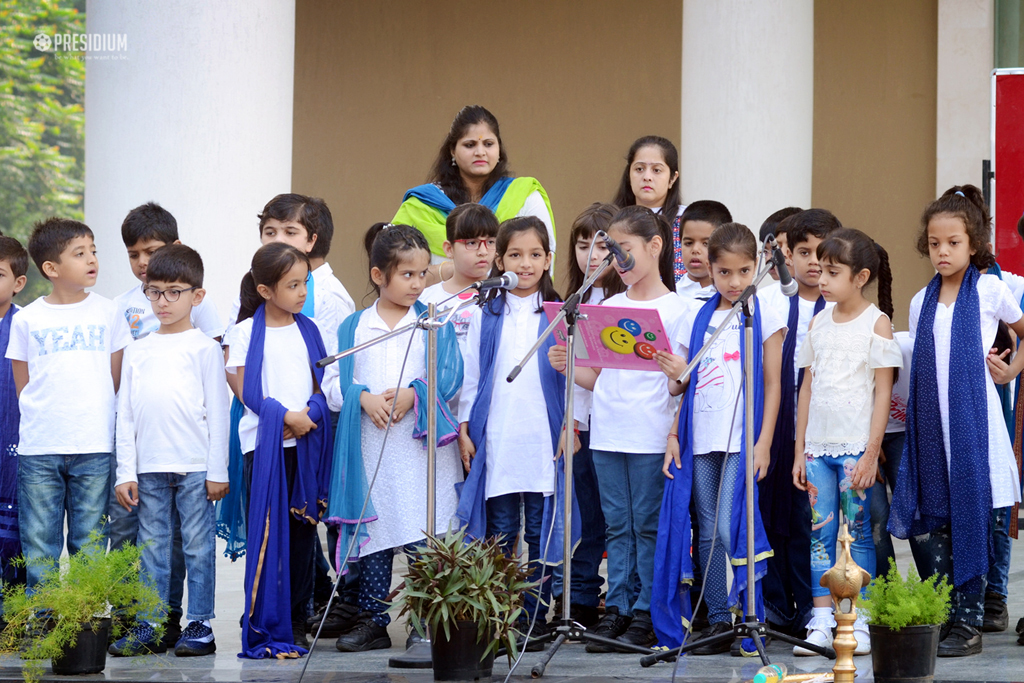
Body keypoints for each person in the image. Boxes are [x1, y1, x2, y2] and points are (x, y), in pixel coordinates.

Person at [550, 206, 697, 651]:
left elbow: (680, 388)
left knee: (647, 526)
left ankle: (646, 611)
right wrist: (569, 366)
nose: (616, 259)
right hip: (609, 430)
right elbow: (600, 378)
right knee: (617, 526)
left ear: (655, 247)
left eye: (624, 249)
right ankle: (616, 606)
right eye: (611, 250)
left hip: (651, 434)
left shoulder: (679, 310)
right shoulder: (607, 306)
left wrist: (679, 372)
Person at [889, 185, 1024, 657]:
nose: (942, 251)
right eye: (934, 243)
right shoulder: (918, 302)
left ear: (974, 243)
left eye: (953, 243)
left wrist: (1014, 368)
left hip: (976, 428)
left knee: (974, 515)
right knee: (936, 520)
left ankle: (970, 621)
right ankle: (945, 613)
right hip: (933, 430)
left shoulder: (990, 289)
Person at [323, 223, 463, 652]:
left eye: (422, 274)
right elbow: (331, 383)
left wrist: (413, 394)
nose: (417, 283)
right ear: (378, 274)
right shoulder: (352, 328)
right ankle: (372, 621)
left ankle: (425, 624)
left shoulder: (434, 321)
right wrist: (361, 397)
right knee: (376, 542)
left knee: (425, 537)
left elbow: (451, 378)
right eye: (407, 274)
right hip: (372, 451)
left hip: (422, 455)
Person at [653, 223, 785, 655]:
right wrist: (674, 431)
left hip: (742, 441)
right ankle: (714, 618)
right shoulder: (697, 314)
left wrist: (763, 442)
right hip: (701, 438)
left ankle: (751, 618)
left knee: (733, 528)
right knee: (707, 531)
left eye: (744, 271)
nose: (735, 282)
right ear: (710, 269)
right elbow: (682, 386)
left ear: (757, 267)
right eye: (725, 272)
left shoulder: (765, 311)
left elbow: (773, 383)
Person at [459, 216, 576, 651]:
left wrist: (569, 424)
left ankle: (534, 617)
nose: (525, 264)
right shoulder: (484, 312)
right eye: (515, 255)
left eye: (534, 255)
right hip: (500, 437)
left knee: (540, 532)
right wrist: (467, 427)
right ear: (498, 259)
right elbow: (473, 374)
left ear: (548, 259)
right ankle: (499, 614)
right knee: (501, 530)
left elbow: (573, 379)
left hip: (543, 437)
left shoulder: (562, 312)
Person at [109, 245, 230, 657]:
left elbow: (218, 412)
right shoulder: (138, 349)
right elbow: (124, 413)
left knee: (197, 545)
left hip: (195, 466)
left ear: (197, 296)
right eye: (154, 292)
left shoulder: (205, 348)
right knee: (152, 547)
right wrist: (126, 470)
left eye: (174, 292)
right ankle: (151, 621)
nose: (162, 301)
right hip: (148, 467)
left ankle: (200, 623)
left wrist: (218, 470)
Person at [791, 228, 901, 656]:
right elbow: (806, 388)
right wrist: (801, 449)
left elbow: (883, 392)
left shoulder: (877, 323)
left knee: (857, 535)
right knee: (820, 534)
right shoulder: (817, 322)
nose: (822, 279)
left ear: (860, 277)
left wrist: (872, 452)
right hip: (818, 449)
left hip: (856, 449)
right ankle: (821, 622)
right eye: (821, 270)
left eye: (833, 272)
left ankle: (860, 620)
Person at [5, 218, 131, 591]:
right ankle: (44, 616)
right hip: (40, 447)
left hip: (93, 445)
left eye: (93, 251)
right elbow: (22, 385)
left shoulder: (108, 312)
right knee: (40, 541)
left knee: (89, 540)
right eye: (80, 253)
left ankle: (84, 618)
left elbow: (115, 378)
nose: (92, 259)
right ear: (51, 268)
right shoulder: (27, 320)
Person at [224, 243, 333, 657]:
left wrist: (313, 411)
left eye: (304, 282)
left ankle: (298, 621)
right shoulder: (245, 333)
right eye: (292, 284)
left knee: (304, 537)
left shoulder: (311, 329)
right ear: (266, 291)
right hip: (265, 447)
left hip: (305, 443)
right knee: (268, 537)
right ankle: (266, 622)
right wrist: (288, 416)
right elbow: (246, 391)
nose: (302, 291)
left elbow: (326, 384)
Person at [757, 209, 840, 636]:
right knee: (773, 519)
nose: (811, 262)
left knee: (811, 523)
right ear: (784, 252)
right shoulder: (770, 300)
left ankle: (813, 608)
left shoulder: (841, 304)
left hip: (824, 430)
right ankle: (774, 605)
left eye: (820, 253)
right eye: (802, 251)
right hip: (778, 424)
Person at [549, 203, 624, 628]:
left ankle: (616, 602)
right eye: (583, 245)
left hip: (616, 426)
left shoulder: (623, 303)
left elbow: (611, 380)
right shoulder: (572, 301)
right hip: (581, 425)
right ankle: (576, 598)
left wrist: (572, 368)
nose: (592, 255)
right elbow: (568, 381)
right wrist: (569, 423)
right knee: (582, 515)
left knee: (612, 519)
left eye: (603, 246)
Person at [392, 105, 556, 268]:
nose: (480, 152)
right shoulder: (422, 204)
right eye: (470, 145)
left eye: (488, 144)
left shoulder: (523, 196)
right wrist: (448, 274)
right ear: (452, 151)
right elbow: (394, 266)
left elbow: (543, 260)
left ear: (499, 149)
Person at [418, 202, 500, 357]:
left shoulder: (503, 295)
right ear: (449, 249)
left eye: (490, 242)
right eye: (472, 243)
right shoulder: (426, 300)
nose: (483, 251)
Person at [611, 136, 686, 282]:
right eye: (639, 169)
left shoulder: (686, 222)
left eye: (656, 170)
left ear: (672, 178)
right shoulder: (611, 220)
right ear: (628, 174)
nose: (647, 177)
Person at [0, 236, 28, 603]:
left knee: (14, 532)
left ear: (19, 283)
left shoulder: (27, 326)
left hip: (14, 441)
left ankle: (14, 610)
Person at [675, 201, 732, 300]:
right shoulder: (671, 295)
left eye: (706, 244)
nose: (695, 250)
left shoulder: (732, 298)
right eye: (689, 243)